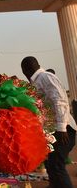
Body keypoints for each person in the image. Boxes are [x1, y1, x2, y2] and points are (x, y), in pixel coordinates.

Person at [21, 56, 77, 188]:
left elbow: (60, 100)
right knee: (50, 163)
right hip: (55, 131)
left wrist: (62, 128)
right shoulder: (37, 82)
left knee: (56, 165)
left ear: (26, 70)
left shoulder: (45, 77)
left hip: (63, 131)